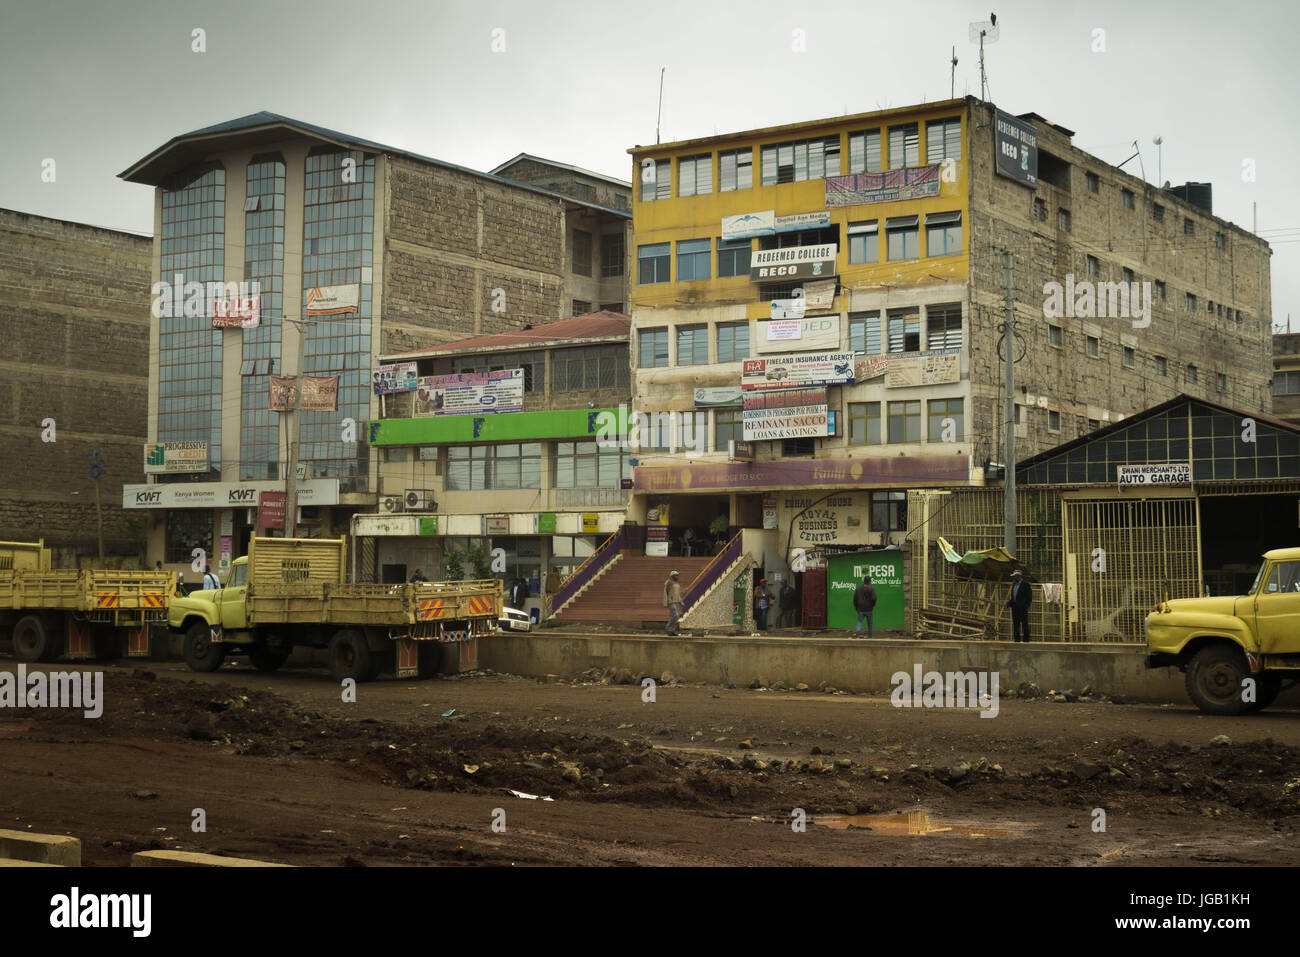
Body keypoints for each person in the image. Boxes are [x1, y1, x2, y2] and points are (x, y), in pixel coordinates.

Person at [1007, 569, 1032, 642]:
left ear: (1019, 576)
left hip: (1022, 607)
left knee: (1024, 623)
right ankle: (1017, 639)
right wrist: (1010, 603)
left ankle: (1026, 639)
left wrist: (1026, 605)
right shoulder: (1014, 584)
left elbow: (1029, 596)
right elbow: (1014, 596)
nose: (1014, 578)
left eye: (1015, 576)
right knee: (1015, 623)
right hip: (1015, 607)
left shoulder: (1025, 584)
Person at [664, 570, 683, 636]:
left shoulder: (677, 584)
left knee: (675, 616)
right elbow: (665, 592)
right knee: (674, 614)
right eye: (676, 575)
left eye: (678, 575)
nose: (677, 576)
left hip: (677, 601)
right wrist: (665, 602)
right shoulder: (668, 582)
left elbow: (678, 594)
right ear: (672, 576)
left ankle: (672, 631)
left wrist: (681, 602)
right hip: (671, 601)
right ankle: (668, 628)